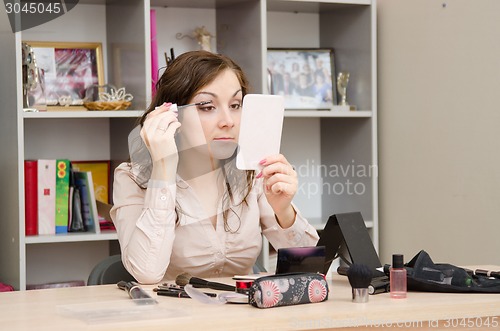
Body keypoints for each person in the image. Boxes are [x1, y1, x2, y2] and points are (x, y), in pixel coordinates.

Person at [110, 50, 319, 284]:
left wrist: (284, 211)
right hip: (172, 316)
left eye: (235, 105)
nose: (228, 121)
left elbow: (313, 268)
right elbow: (147, 273)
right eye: (207, 106)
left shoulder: (252, 170)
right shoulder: (132, 177)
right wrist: (163, 168)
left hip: (247, 315)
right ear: (171, 113)